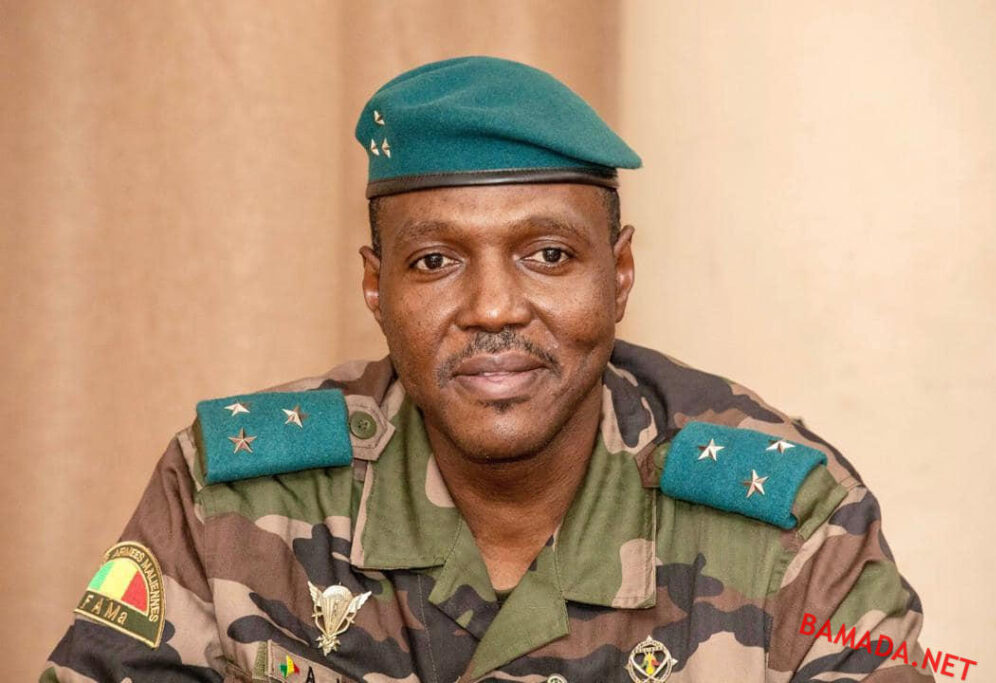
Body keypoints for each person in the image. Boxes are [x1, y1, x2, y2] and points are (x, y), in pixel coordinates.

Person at [42, 56, 934, 683]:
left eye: (549, 254)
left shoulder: (794, 523)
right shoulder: (231, 497)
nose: (495, 308)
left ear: (620, 274)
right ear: (376, 287)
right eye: (435, 261)